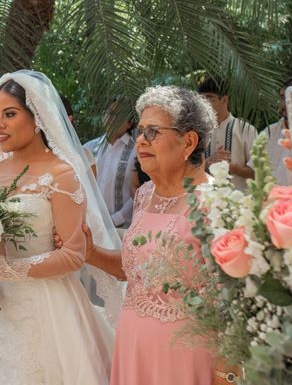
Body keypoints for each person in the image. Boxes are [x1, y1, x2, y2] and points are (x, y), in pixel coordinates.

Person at [0, 71, 123, 384]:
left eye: (10, 114)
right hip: (4, 311)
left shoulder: (60, 173)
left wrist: (3, 271)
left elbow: (73, 255)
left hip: (50, 308)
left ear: (36, 116)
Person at [76, 85, 217, 384]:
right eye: (140, 131)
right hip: (134, 344)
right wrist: (91, 254)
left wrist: (225, 374)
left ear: (189, 142)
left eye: (152, 132)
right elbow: (137, 271)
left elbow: (234, 302)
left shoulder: (214, 203)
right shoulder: (145, 194)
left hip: (185, 356)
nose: (141, 140)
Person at [198, 77, 257, 190]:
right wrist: (209, 162)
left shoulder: (245, 129)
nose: (204, 104)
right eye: (202, 100)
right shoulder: (198, 131)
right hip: (205, 201)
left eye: (210, 99)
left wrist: (230, 168)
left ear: (224, 100)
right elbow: (187, 170)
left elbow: (258, 172)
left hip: (239, 203)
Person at [95, 98, 137, 230]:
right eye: (108, 113)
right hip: (93, 226)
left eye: (118, 115)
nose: (111, 118)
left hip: (125, 229)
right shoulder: (90, 148)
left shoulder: (137, 151)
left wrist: (115, 219)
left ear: (129, 123)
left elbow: (139, 192)